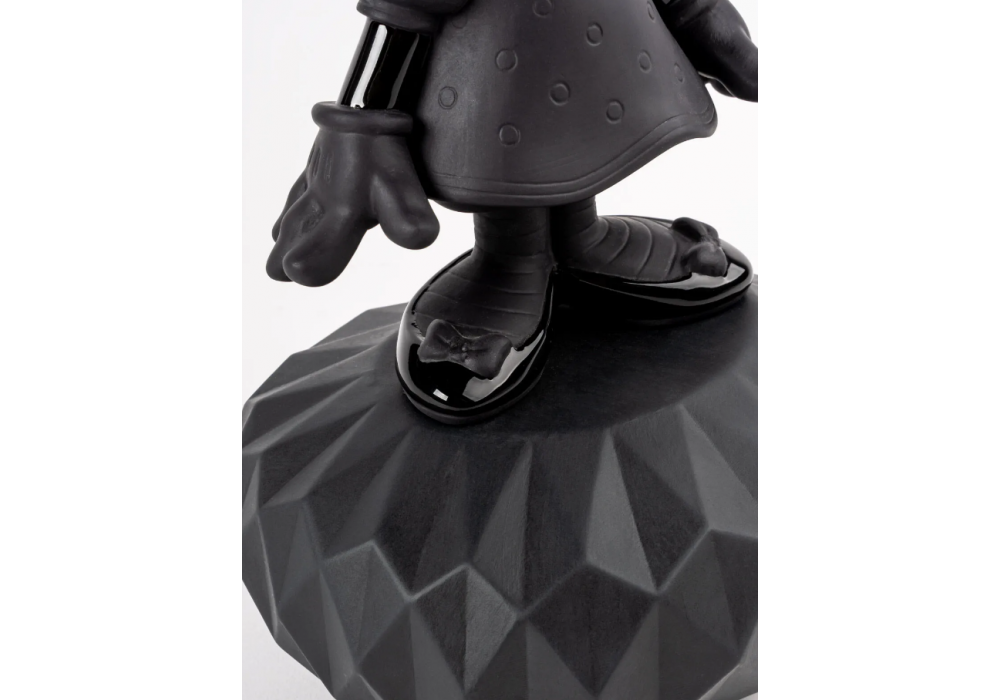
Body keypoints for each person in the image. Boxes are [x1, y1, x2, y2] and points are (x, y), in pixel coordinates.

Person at [267, 0, 758, 424]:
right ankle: (511, 257)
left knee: (577, 132)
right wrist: (362, 115)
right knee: (503, 139)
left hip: (606, 44)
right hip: (488, 61)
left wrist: (695, 12)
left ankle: (579, 237)